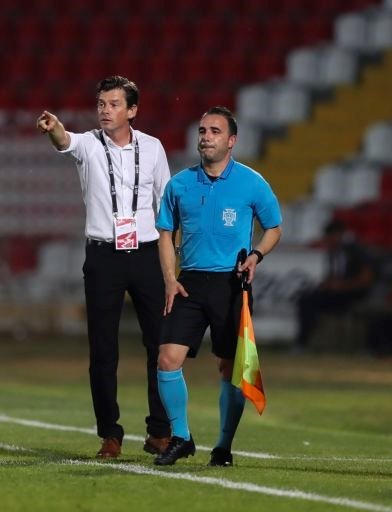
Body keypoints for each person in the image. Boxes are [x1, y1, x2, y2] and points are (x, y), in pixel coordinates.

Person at [36, 76, 172, 459]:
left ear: (132, 110)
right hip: (103, 257)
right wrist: (54, 128)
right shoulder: (88, 144)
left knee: (159, 346)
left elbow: (166, 205)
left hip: (146, 253)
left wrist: (170, 261)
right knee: (103, 349)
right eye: (100, 103)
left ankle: (160, 430)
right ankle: (109, 433)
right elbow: (65, 141)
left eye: (113, 104)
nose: (104, 110)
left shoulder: (154, 148)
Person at [154, 106, 282, 466]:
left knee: (229, 369)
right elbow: (165, 233)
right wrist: (169, 278)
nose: (205, 136)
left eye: (214, 131)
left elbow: (274, 227)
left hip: (231, 284)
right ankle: (181, 437)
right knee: (167, 359)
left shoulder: (252, 182)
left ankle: (223, 446)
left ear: (231, 141)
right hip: (189, 283)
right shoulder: (179, 184)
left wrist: (256, 255)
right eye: (202, 130)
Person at [295, 219, 374, 351]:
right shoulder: (334, 252)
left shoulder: (357, 250)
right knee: (306, 299)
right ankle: (304, 343)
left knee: (309, 302)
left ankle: (302, 343)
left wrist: (342, 286)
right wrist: (328, 284)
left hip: (354, 293)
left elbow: (366, 278)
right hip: (338, 293)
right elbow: (334, 275)